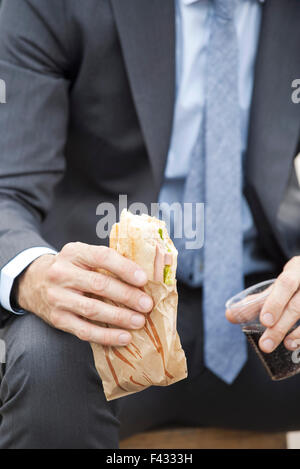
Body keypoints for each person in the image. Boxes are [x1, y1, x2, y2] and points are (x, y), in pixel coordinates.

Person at [0, 0, 300, 449]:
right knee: (46, 360)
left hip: (262, 307)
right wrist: (34, 275)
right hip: (105, 308)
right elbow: (7, 188)